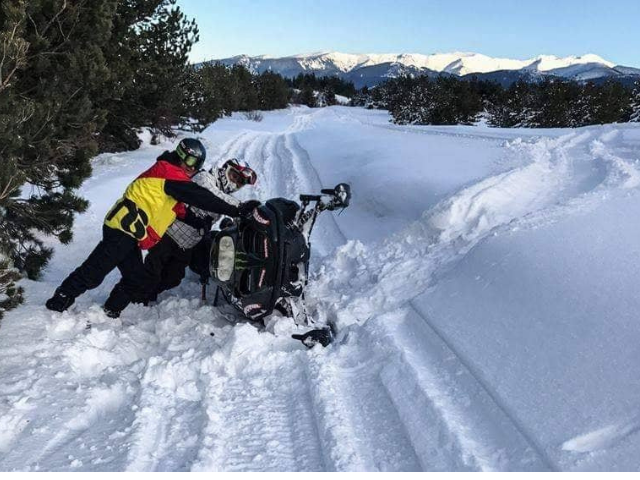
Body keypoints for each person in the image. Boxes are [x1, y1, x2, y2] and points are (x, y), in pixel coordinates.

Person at [45, 139, 259, 318]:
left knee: (137, 278)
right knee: (96, 269)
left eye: (195, 164)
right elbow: (200, 196)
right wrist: (238, 209)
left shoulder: (174, 179)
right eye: (189, 159)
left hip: (132, 232)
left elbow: (178, 208)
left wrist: (199, 223)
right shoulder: (168, 171)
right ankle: (61, 298)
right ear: (180, 154)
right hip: (121, 226)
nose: (190, 167)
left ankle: (110, 311)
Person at [143, 159, 258, 303]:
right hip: (169, 233)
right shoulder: (204, 178)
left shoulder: (225, 196)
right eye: (234, 177)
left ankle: (149, 293)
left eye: (239, 182)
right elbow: (214, 198)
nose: (235, 183)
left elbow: (225, 204)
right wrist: (241, 207)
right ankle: (130, 297)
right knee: (152, 271)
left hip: (188, 243)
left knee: (173, 278)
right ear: (225, 170)